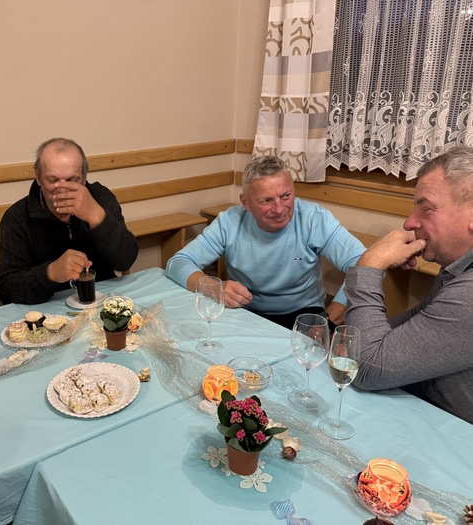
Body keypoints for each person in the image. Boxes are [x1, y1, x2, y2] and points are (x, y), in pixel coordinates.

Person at [345, 146, 473, 424]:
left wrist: (368, 266)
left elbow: (364, 369)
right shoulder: (458, 266)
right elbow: (423, 317)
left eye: (426, 209)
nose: (410, 222)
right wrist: (354, 341)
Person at [166, 155, 365, 329]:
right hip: (243, 311)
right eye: (266, 200)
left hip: (303, 316)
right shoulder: (229, 221)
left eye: (286, 196)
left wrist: (329, 320)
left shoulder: (315, 219)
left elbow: (365, 265)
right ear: (246, 202)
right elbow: (178, 262)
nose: (279, 209)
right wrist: (213, 288)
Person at [0, 137, 138, 304]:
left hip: (101, 301)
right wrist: (51, 273)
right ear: (38, 178)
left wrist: (97, 217)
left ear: (84, 177)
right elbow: (7, 289)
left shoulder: (100, 197)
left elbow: (125, 260)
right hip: (46, 309)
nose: (62, 189)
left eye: (72, 180)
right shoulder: (16, 217)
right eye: (53, 180)